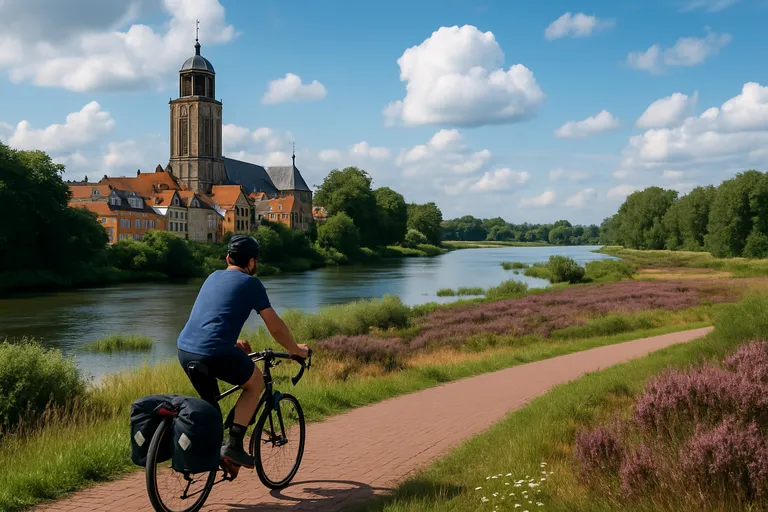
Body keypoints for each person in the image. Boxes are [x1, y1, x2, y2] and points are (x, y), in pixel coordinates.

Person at [177, 234, 310, 469]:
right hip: (214, 352)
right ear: (251, 262)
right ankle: (233, 446)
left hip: (185, 349)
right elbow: (275, 327)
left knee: (211, 409)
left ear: (227, 258)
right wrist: (296, 349)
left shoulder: (212, 276)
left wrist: (232, 342)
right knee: (255, 383)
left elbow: (209, 317)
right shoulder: (251, 284)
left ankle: (211, 455)